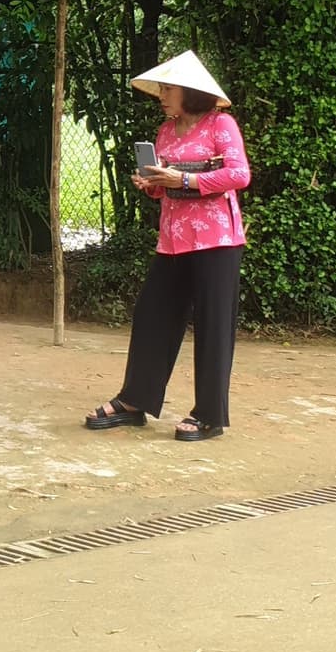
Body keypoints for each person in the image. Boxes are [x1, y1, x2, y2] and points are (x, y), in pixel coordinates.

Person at [85, 50, 249, 443]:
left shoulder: (221, 124)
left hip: (217, 242)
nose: (161, 95)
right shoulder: (165, 131)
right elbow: (163, 190)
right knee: (152, 317)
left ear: (190, 91)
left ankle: (209, 416)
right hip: (172, 241)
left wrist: (186, 181)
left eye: (168, 88)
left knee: (213, 326)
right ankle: (134, 402)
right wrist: (152, 184)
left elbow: (239, 174)